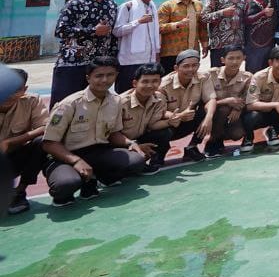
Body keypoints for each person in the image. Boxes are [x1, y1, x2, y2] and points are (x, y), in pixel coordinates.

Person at [42, 56, 147, 207]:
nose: (104, 80)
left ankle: (97, 178)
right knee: (66, 184)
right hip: (65, 155)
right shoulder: (69, 104)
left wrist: (130, 143)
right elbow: (49, 143)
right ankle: (64, 192)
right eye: (98, 76)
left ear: (116, 75)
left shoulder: (116, 101)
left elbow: (113, 134)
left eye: (110, 75)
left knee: (136, 160)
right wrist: (76, 161)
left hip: (97, 152)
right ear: (88, 78)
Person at [51, 0, 119, 105]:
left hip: (98, 66)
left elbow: (112, 34)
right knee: (65, 104)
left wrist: (112, 59)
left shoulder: (111, 5)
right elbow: (60, 30)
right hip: (72, 63)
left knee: (93, 106)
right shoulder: (75, 4)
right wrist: (93, 31)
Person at [1, 68, 48, 214]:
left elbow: (45, 127)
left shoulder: (32, 101)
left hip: (13, 158)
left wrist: (10, 142)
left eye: (16, 90)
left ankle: (19, 192)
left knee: (41, 142)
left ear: (24, 89)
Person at [242, 45, 279, 151]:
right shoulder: (259, 77)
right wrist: (275, 104)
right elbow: (250, 104)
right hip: (261, 112)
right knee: (250, 118)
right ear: (271, 62)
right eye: (278, 61)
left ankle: (273, 130)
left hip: (278, 113)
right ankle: (248, 137)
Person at [159, 49, 212, 162]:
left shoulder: (203, 77)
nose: (191, 69)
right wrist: (179, 115)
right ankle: (158, 154)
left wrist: (208, 119)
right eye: (186, 66)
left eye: (194, 65)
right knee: (160, 131)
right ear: (176, 68)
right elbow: (160, 111)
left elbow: (210, 99)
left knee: (209, 111)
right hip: (170, 123)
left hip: (189, 119)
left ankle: (192, 147)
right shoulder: (163, 84)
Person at [117, 62, 171, 173]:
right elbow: (111, 134)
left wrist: (172, 119)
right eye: (145, 81)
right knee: (124, 170)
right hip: (120, 143)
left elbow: (154, 123)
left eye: (155, 81)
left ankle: (155, 160)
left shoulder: (159, 98)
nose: (150, 86)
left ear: (160, 82)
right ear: (135, 83)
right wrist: (134, 145)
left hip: (140, 137)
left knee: (165, 133)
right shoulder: (120, 103)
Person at [113, 0, 162, 92]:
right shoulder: (127, 7)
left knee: (146, 94)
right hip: (129, 61)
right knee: (127, 94)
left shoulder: (152, 7)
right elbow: (117, 31)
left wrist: (157, 52)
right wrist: (138, 22)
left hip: (148, 60)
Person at [202, 46, 252, 156]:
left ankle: (220, 137)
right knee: (223, 109)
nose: (235, 62)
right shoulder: (210, 75)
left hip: (232, 114)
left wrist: (238, 109)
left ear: (244, 58)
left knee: (237, 134)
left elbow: (247, 98)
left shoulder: (247, 77)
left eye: (238, 58)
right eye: (231, 58)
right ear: (222, 60)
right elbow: (204, 101)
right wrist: (226, 101)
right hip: (210, 113)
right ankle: (212, 141)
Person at [156, 0, 206, 74]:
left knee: (191, 79)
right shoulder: (167, 6)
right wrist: (177, 24)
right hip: (171, 52)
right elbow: (158, 28)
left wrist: (205, 44)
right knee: (169, 81)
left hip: (193, 51)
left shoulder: (199, 5)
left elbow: (202, 27)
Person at [202, 0, 250, 69]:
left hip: (238, 44)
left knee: (236, 75)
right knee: (217, 76)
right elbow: (204, 17)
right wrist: (222, 13)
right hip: (220, 45)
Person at [243, 0, 279, 74]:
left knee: (267, 74)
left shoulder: (275, 0)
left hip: (270, 44)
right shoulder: (253, 1)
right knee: (253, 75)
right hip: (253, 46)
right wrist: (262, 13)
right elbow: (246, 20)